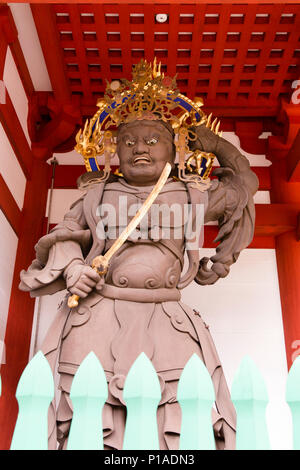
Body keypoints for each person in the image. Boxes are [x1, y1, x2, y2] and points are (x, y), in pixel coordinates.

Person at [19, 60, 258, 450]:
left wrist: (216, 146)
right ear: (115, 150)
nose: (139, 148)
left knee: (182, 414)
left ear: (173, 149)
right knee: (87, 415)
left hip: (167, 317)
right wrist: (76, 266)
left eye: (152, 140)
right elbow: (63, 235)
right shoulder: (96, 194)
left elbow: (244, 185)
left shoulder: (192, 194)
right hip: (98, 314)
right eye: (128, 142)